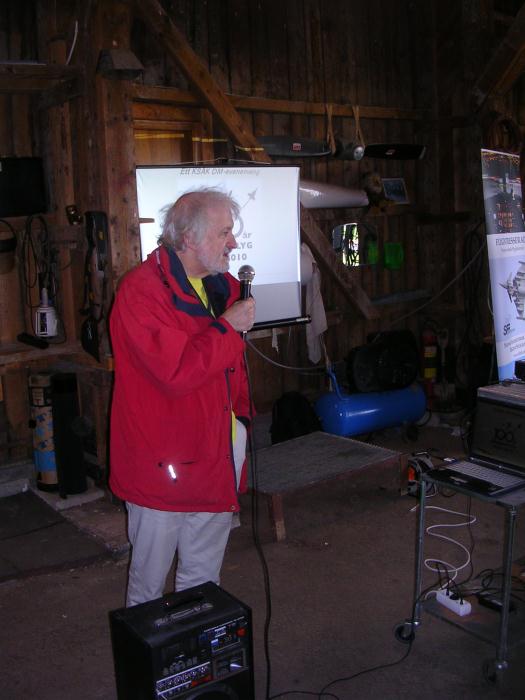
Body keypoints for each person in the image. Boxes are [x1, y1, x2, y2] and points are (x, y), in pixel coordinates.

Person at [109, 188, 256, 606]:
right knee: (148, 585)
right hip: (163, 465)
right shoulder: (141, 293)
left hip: (216, 455)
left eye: (232, 233)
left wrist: (241, 424)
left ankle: (193, 667)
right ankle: (150, 668)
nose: (233, 243)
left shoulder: (224, 287)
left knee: (203, 579)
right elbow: (175, 372)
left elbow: (231, 373)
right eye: (224, 233)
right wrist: (227, 328)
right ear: (189, 238)